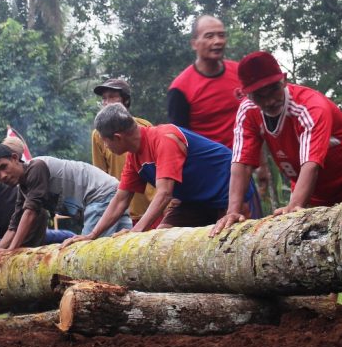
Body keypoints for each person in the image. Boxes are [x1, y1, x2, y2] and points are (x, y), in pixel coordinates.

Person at [210, 51, 342, 307]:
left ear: (284, 80)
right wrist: (233, 211)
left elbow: (312, 162)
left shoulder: (309, 106)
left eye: (273, 89)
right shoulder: (247, 111)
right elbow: (240, 161)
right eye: (260, 95)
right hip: (310, 185)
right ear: (247, 95)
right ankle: (337, 306)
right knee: (314, 243)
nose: (270, 100)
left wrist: (295, 206)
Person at [64, 104, 255, 247]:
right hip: (193, 201)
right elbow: (121, 199)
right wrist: (93, 234)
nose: (105, 147)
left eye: (105, 142)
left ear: (118, 137)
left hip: (226, 192)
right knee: (161, 242)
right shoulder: (134, 158)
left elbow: (164, 193)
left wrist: (137, 231)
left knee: (229, 243)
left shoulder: (164, 138)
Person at [0, 145, 130, 252]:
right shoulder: (23, 188)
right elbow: (14, 225)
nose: (2, 176)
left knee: (85, 253)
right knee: (125, 248)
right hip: (110, 192)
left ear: (15, 158)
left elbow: (30, 213)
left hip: (100, 194)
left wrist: (11, 250)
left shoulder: (36, 167)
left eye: (4, 167)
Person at [167, 15, 243, 149]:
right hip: (207, 165)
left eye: (221, 35)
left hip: (243, 161)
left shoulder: (240, 73)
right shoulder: (180, 88)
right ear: (194, 44)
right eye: (209, 36)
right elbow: (179, 140)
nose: (218, 41)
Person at [91, 78, 156, 219]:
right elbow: (100, 175)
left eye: (112, 97)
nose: (107, 102)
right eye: (104, 99)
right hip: (122, 211)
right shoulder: (99, 135)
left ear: (125, 100)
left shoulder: (144, 126)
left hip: (151, 207)